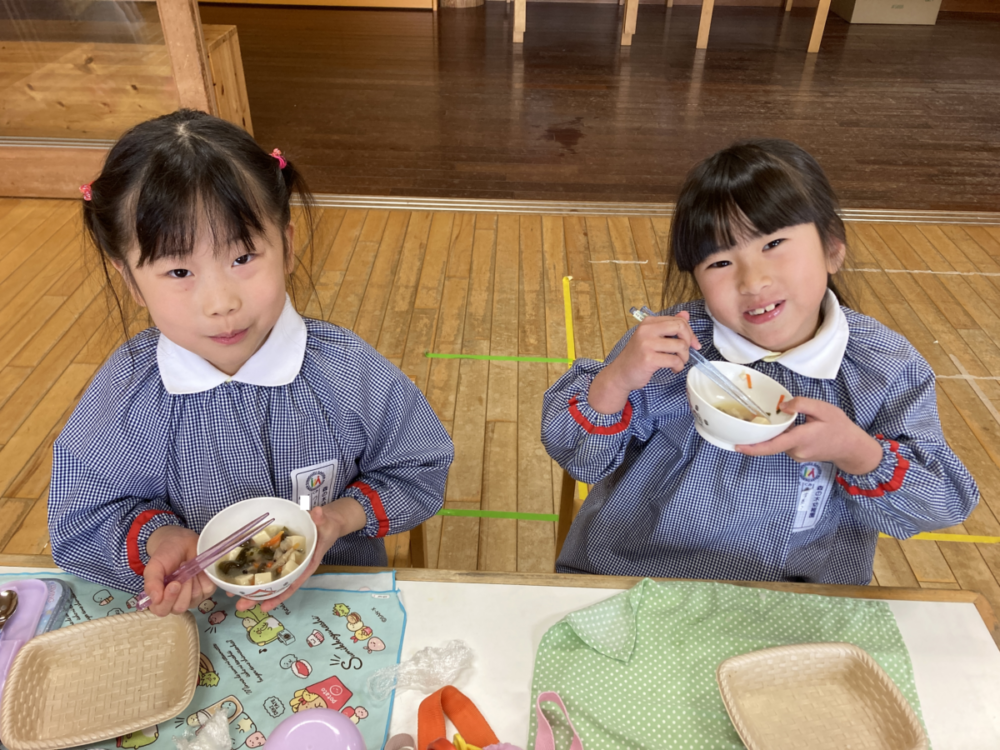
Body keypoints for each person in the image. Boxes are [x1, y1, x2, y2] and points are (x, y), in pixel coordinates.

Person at [49, 109, 453, 615]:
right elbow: (79, 516)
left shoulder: (347, 372)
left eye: (242, 258)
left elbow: (419, 464)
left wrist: (341, 518)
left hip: (338, 601)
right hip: (197, 616)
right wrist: (160, 538)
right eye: (179, 270)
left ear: (284, 243)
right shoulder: (125, 395)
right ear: (129, 279)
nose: (221, 303)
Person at [541, 139, 978, 584]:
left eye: (774, 243)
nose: (753, 281)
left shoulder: (883, 367)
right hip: (636, 578)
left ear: (832, 247)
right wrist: (615, 381)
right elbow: (580, 460)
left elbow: (941, 504)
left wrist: (856, 451)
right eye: (721, 261)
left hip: (798, 600)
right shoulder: (671, 346)